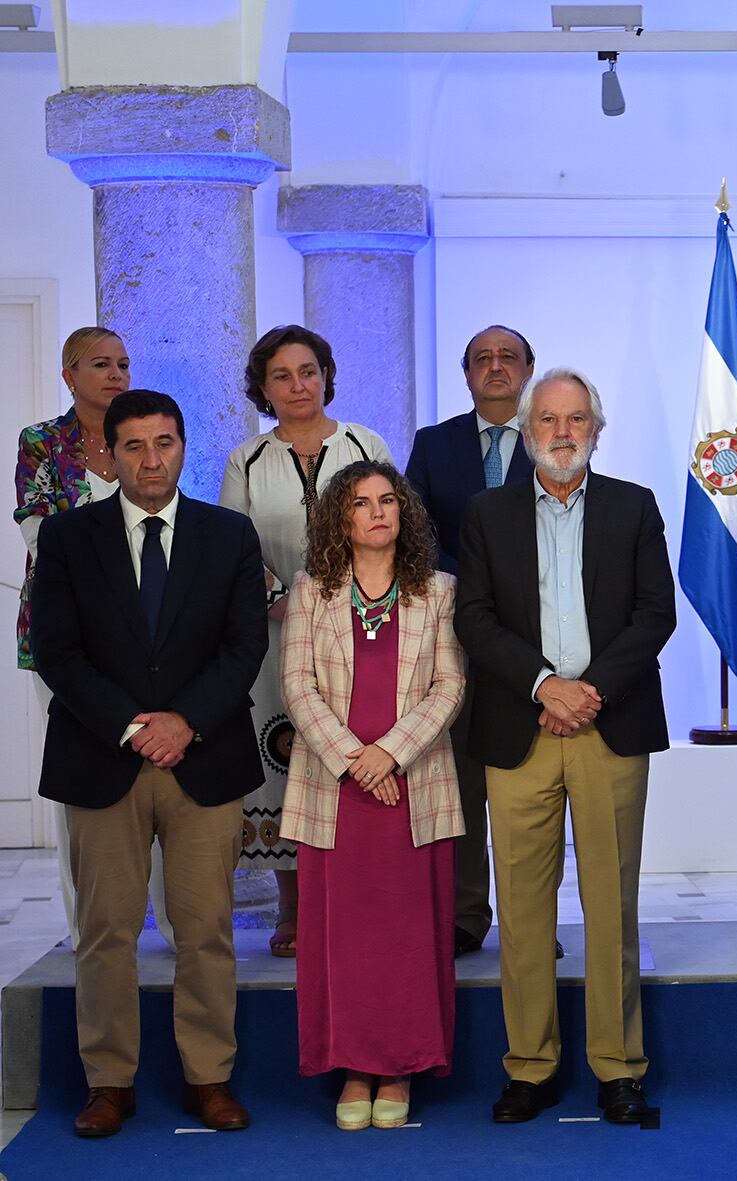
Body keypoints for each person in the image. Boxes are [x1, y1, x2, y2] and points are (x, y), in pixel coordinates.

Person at [31, 390, 267, 1137]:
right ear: (111, 453)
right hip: (103, 758)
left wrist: (185, 720)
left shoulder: (231, 535)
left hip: (204, 757)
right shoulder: (69, 538)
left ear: (182, 445)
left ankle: (209, 1076)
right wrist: (136, 727)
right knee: (107, 929)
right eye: (135, 445)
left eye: (164, 442)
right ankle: (110, 1081)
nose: (152, 458)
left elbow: (244, 647)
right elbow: (59, 652)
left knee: (206, 928)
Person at [455, 367, 675, 1125]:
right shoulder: (486, 513)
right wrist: (546, 684)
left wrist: (588, 691)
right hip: (520, 728)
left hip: (608, 727)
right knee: (520, 911)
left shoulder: (634, 507)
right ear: (525, 430)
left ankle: (618, 1067)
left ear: (595, 429)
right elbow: (474, 620)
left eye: (575, 418)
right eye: (546, 418)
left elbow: (655, 616)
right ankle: (530, 1065)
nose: (561, 431)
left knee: (612, 905)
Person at [280, 461, 465, 1130]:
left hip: (413, 787)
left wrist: (390, 752)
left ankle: (401, 1065)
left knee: (407, 937)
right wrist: (356, 760)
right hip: (337, 792)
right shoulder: (310, 591)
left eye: (388, 500)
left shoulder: (439, 591)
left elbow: (448, 686)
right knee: (345, 939)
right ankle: (355, 1066)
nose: (378, 511)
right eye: (361, 502)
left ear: (404, 512)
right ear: (342, 518)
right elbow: (297, 687)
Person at [219, 324, 391, 957]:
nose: (299, 385)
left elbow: (387, 523)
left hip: (362, 630)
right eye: (283, 375)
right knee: (285, 758)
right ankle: (292, 908)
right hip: (275, 636)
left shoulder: (363, 443)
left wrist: (345, 598)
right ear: (263, 388)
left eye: (309, 371)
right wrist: (280, 601)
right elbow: (234, 547)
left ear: (327, 375)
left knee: (355, 755)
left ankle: (354, 900)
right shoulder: (248, 460)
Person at [14, 327, 173, 949]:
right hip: (66, 636)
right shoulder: (42, 443)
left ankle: (171, 922)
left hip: (153, 633)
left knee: (161, 773)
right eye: (100, 364)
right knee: (84, 774)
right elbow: (40, 532)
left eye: (124, 364)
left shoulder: (143, 438)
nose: (115, 374)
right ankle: (90, 924)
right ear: (69, 374)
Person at [405, 325, 537, 958]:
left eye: (507, 357)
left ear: (527, 369)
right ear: (465, 374)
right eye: (481, 358)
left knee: (525, 786)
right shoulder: (435, 445)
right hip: (450, 635)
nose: (494, 367)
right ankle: (463, 916)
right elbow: (414, 528)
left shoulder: (552, 439)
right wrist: (467, 590)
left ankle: (529, 922)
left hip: (530, 642)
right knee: (457, 779)